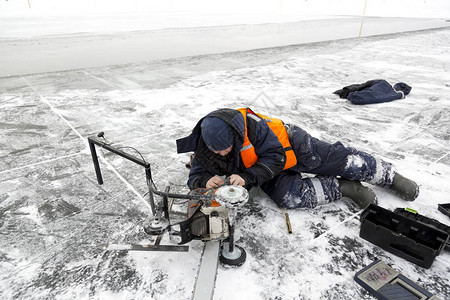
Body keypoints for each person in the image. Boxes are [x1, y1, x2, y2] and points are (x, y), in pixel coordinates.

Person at [176, 107, 419, 209]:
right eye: (215, 150)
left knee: (338, 160)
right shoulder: (205, 145)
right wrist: (203, 182)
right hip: (263, 171)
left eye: (225, 148)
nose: (220, 154)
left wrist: (247, 175)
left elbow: (276, 157)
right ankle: (346, 189)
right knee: (288, 197)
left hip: (290, 146)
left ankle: (390, 177)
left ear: (236, 136)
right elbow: (196, 174)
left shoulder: (253, 128)